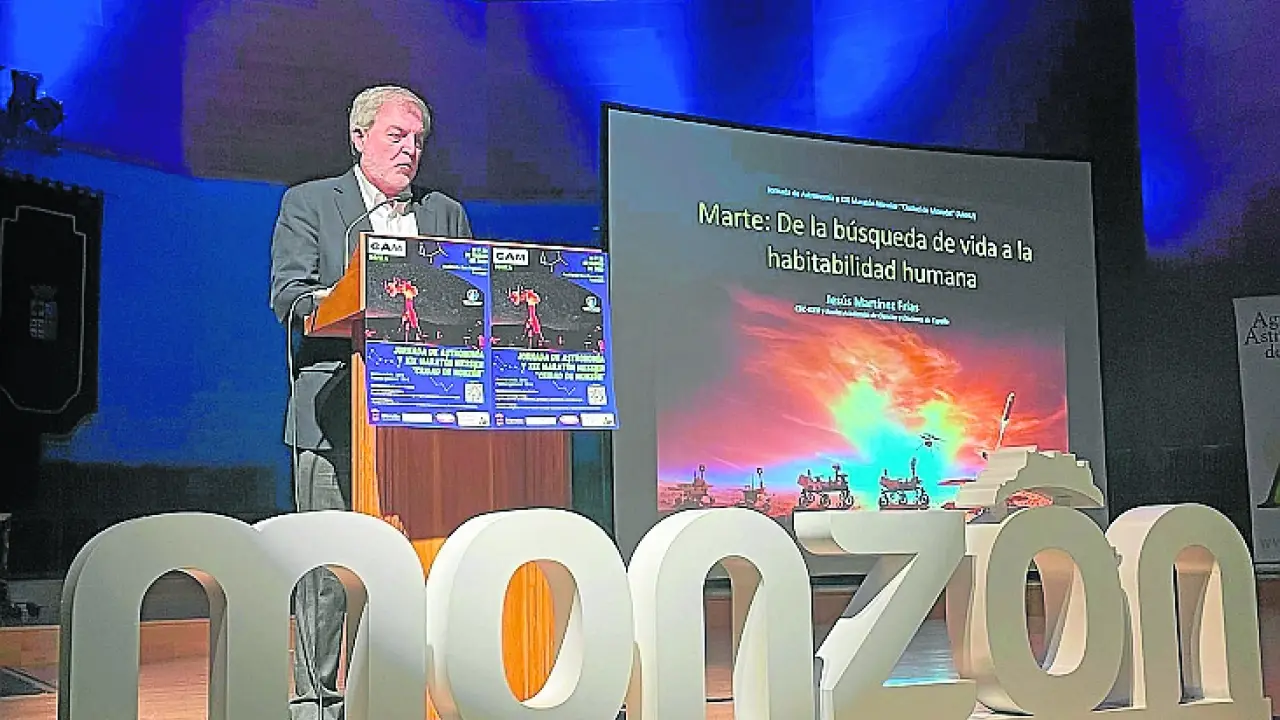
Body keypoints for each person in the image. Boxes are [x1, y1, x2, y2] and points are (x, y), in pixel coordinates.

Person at [268, 85, 472, 720]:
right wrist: (356, 296)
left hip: (423, 422)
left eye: (418, 140)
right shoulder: (311, 203)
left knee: (417, 567)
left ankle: (408, 696)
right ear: (359, 138)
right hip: (333, 419)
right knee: (326, 574)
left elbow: (473, 297)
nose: (410, 150)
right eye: (396, 136)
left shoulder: (445, 213)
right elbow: (289, 297)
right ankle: (316, 704)